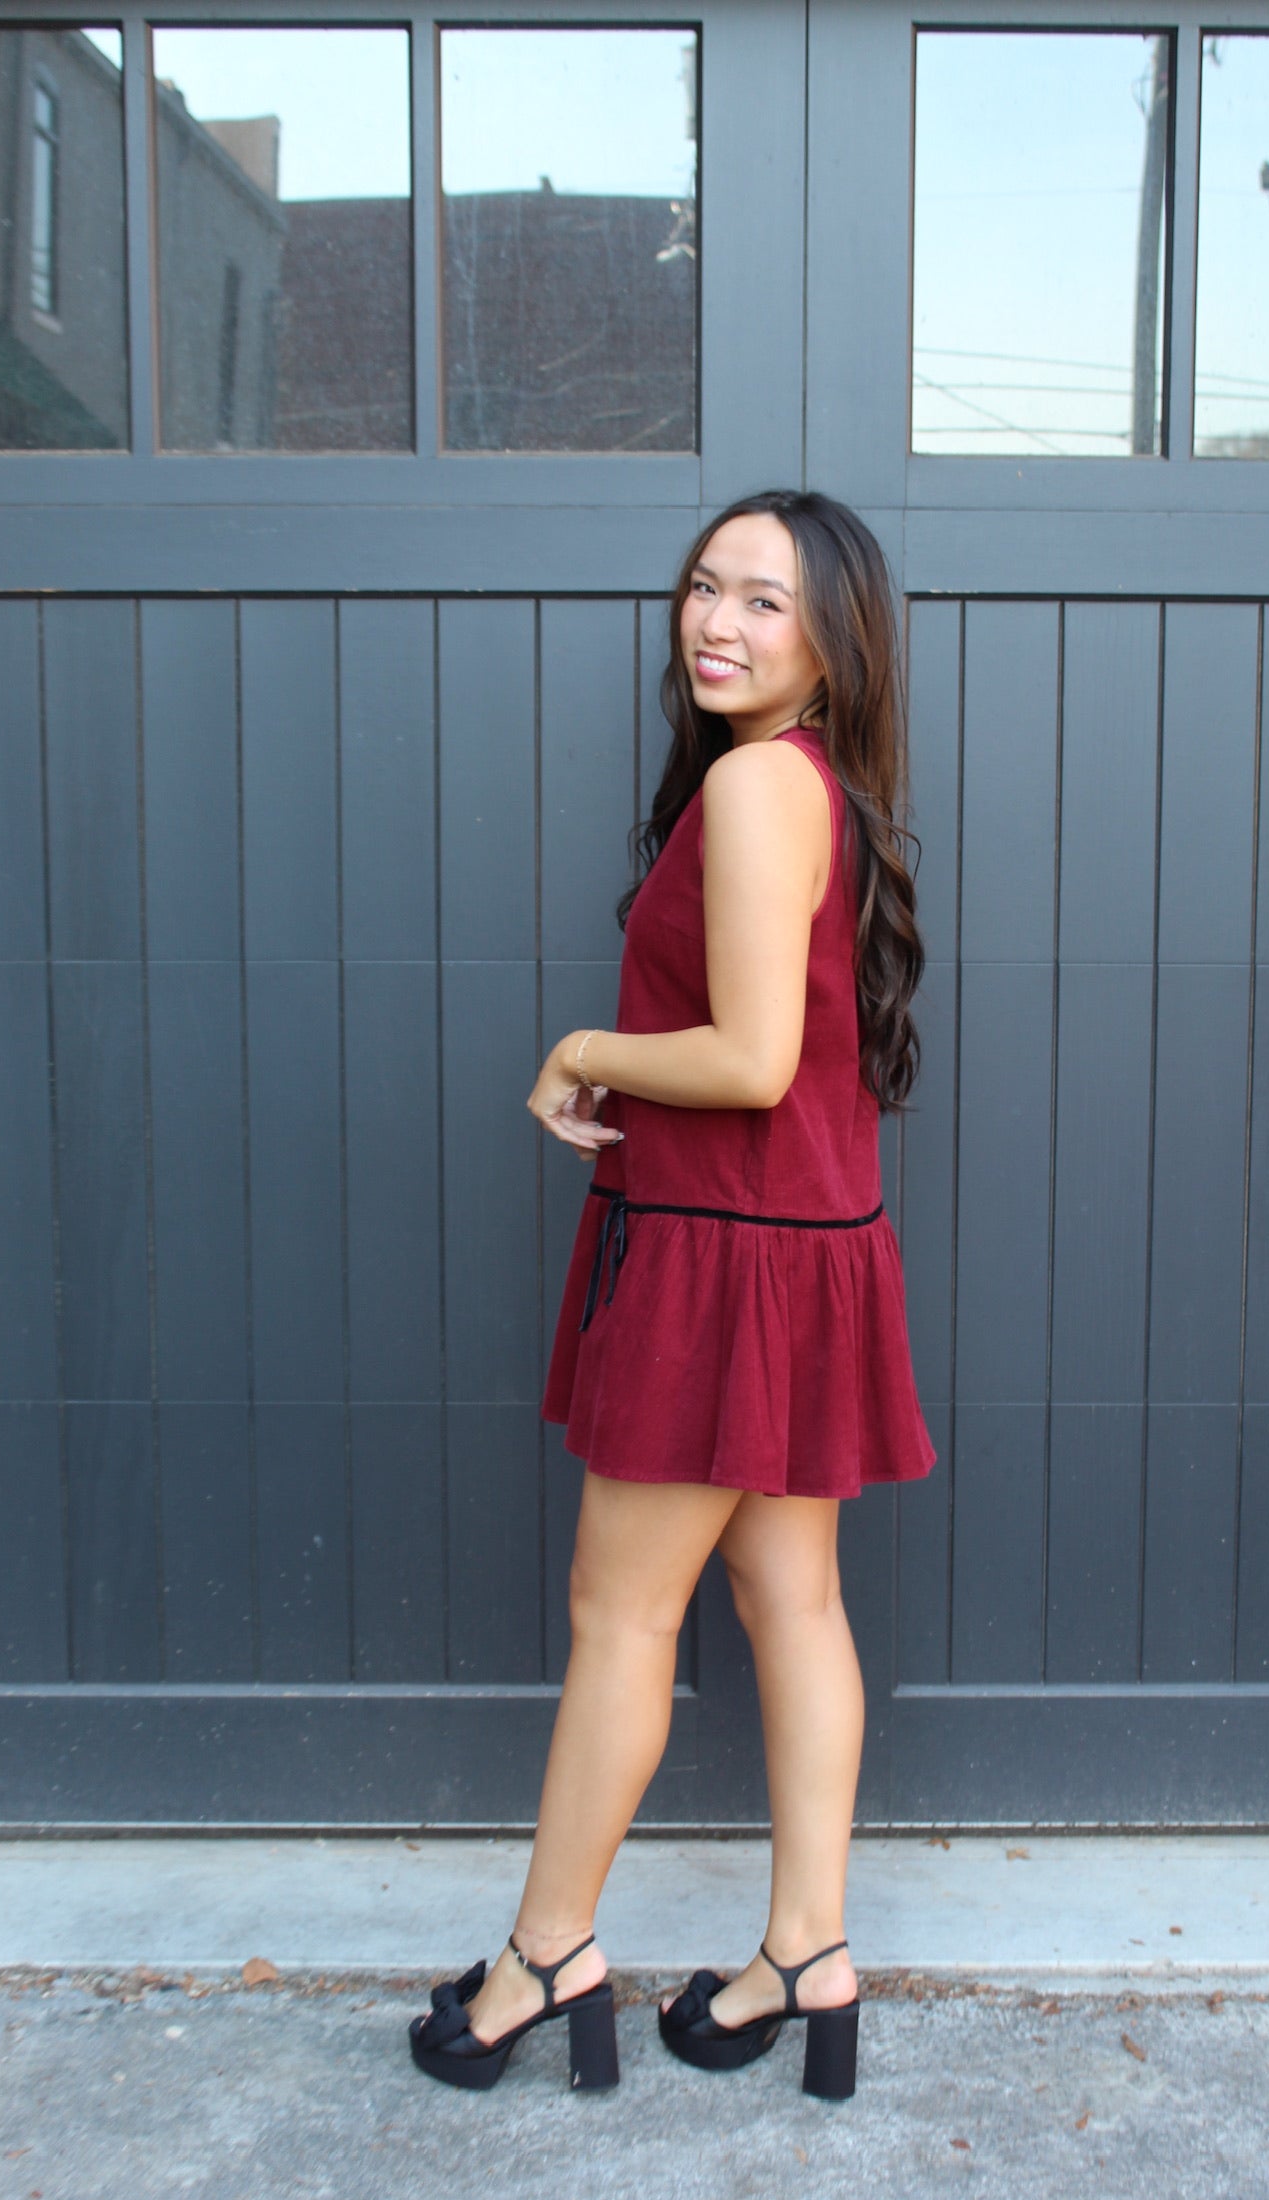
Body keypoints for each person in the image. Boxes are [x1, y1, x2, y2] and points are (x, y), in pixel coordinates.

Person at [408, 489, 935, 2102]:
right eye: (707, 587)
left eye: (766, 601)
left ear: (834, 646)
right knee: (794, 1603)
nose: (717, 622)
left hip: (725, 1258)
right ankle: (806, 1956)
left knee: (622, 1615)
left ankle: (543, 1955)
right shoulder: (808, 783)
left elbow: (753, 1060)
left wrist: (582, 1049)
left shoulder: (759, 788)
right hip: (798, 1244)